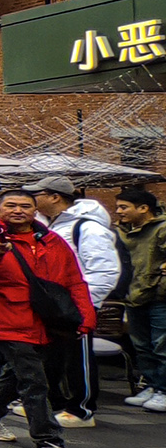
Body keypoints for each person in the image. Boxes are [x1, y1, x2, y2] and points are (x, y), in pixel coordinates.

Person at [0, 188, 96, 448]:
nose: (18, 210)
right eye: (10, 205)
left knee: (20, 373)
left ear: (36, 211)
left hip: (48, 321)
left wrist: (85, 316)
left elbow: (74, 280)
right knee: (35, 381)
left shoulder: (51, 240)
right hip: (8, 320)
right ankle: (49, 444)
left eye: (25, 206)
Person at [31, 176, 119, 426]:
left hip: (75, 305)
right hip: (52, 304)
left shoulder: (88, 228)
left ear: (54, 197)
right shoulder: (50, 227)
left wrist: (83, 304)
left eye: (37, 194)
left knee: (77, 356)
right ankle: (54, 402)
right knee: (52, 355)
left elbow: (105, 271)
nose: (32, 200)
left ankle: (82, 409)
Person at [114, 187, 166, 411]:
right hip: (134, 296)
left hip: (159, 297)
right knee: (142, 346)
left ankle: (164, 391)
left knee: (161, 345)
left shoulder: (162, 229)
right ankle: (153, 386)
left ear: (144, 209)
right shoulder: (123, 231)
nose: (118, 212)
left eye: (124, 207)